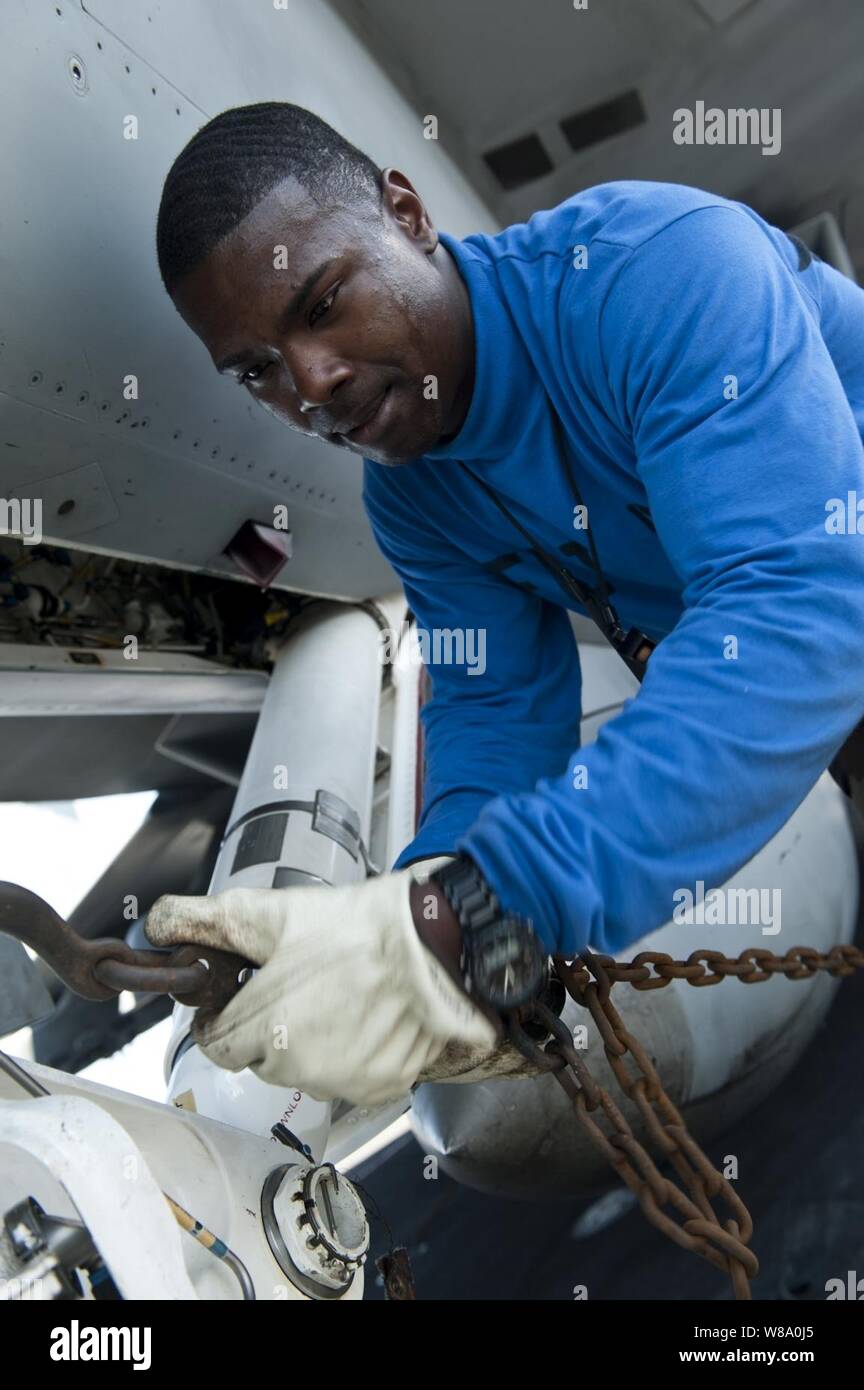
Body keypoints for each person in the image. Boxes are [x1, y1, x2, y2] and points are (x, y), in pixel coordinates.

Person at [145, 101, 864, 1106]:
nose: (312, 385)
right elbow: (495, 710)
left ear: (407, 213)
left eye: (323, 304)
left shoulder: (656, 271)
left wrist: (479, 914)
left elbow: (801, 609)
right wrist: (427, 889)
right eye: (258, 371)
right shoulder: (413, 496)